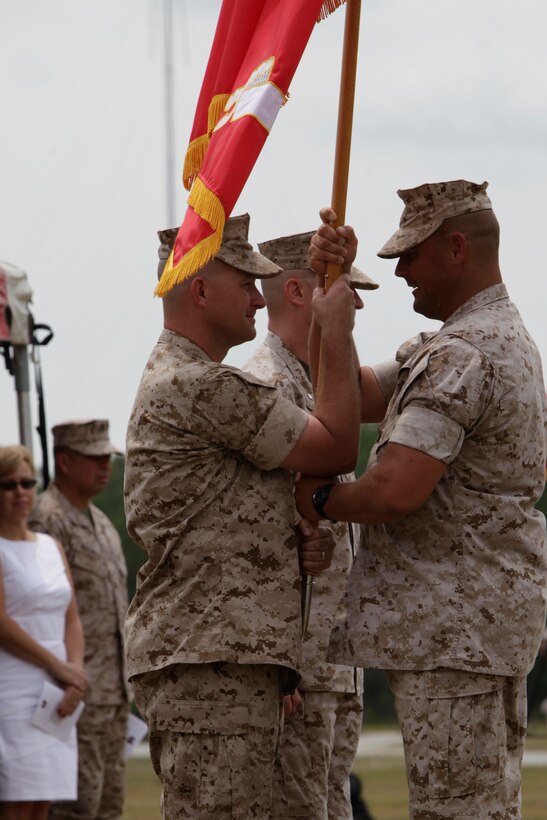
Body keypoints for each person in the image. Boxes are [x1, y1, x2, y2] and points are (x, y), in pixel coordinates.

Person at [295, 180, 547, 819]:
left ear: (456, 247)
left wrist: (319, 496)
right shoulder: (470, 341)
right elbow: (353, 391)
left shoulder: (464, 353)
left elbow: (392, 491)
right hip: (473, 630)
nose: (400, 271)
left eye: (410, 254)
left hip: (454, 635)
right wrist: (333, 299)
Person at [124, 213, 361, 819]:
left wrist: (296, 546)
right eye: (244, 283)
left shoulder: (199, 383)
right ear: (200, 290)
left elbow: (237, 516)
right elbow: (337, 446)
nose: (259, 296)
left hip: (225, 660)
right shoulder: (199, 385)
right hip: (211, 665)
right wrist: (332, 330)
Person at [244, 230, 377, 819]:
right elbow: (258, 538)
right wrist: (284, 662)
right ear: (298, 291)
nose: (354, 305)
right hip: (297, 664)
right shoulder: (270, 386)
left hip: (332, 661)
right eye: (343, 290)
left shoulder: (318, 385)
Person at [29, 420, 131, 820]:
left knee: (108, 807)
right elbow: (39, 607)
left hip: (113, 691)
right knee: (73, 809)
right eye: (94, 458)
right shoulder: (45, 519)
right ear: (64, 462)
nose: (104, 466)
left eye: (107, 458)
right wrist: (64, 673)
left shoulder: (102, 523)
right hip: (72, 689)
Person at [0, 445, 87, 820]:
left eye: (27, 482)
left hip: (58, 693)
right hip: (14, 688)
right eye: (8, 484)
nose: (20, 492)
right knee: (18, 799)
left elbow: (72, 618)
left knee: (43, 802)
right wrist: (57, 665)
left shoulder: (52, 546)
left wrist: (75, 676)